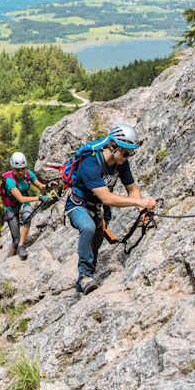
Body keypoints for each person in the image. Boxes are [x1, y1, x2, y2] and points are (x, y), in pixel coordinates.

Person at [65, 124, 157, 294]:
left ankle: (85, 278)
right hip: (78, 205)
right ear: (113, 146)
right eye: (125, 152)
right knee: (87, 228)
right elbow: (106, 197)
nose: (128, 156)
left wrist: (142, 209)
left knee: (96, 241)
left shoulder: (121, 163)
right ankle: (85, 277)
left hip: (99, 209)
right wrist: (140, 203)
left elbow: (131, 188)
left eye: (130, 153)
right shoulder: (90, 163)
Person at [1, 151, 52, 260]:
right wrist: (39, 198)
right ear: (13, 169)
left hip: (25, 201)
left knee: (27, 216)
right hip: (12, 206)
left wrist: (47, 186)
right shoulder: (10, 181)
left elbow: (39, 185)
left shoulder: (28, 174)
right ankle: (11, 256)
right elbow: (20, 199)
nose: (20, 172)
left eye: (23, 168)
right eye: (17, 170)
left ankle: (21, 246)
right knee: (15, 239)